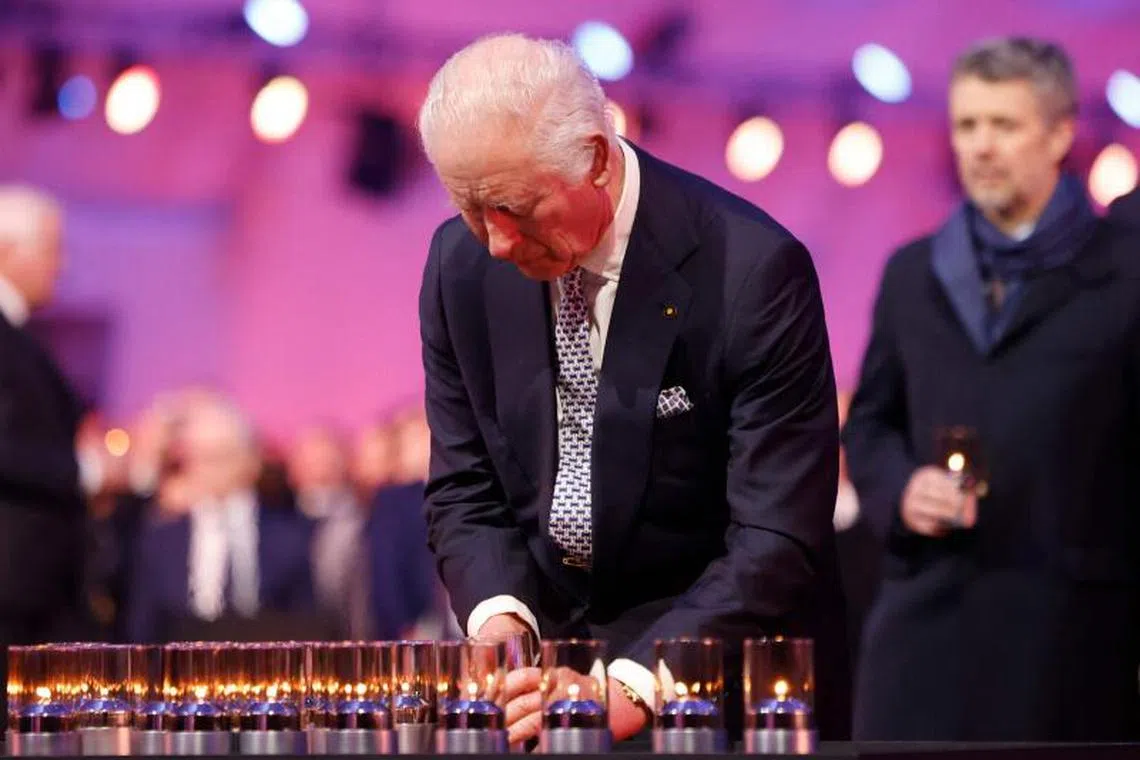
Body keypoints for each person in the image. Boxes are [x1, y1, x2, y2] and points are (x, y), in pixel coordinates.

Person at [416, 33, 849, 744]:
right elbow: (467, 485)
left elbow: (774, 535)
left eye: (514, 207)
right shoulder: (457, 265)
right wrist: (499, 623)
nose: (495, 241)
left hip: (720, 689)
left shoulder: (751, 271)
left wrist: (630, 686)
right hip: (546, 692)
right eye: (469, 207)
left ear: (593, 157)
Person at [844, 37, 1140, 741]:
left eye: (1004, 125)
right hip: (921, 644)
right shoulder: (913, 272)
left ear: (1060, 134)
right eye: (966, 124)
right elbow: (871, 424)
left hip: (1071, 647)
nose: (980, 146)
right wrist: (901, 489)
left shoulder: (1124, 272)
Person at [127, 394, 316, 642]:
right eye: (200, 458)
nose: (211, 469)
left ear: (251, 460)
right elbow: (142, 630)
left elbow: (305, 626)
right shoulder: (161, 541)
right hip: (180, 660)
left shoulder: (290, 537)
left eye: (220, 456)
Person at [0, 187, 85, 643]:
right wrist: (86, 469)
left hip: (31, 587)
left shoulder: (21, 334)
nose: (62, 265)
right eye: (53, 249)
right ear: (6, 250)